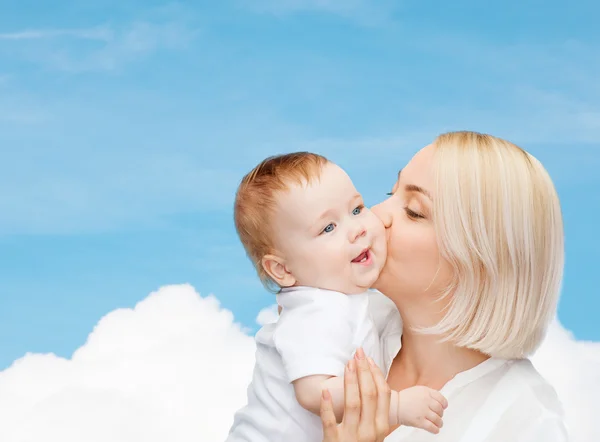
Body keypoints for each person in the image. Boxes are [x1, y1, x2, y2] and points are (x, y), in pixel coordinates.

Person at [319, 130, 568, 441]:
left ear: (482, 262)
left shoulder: (523, 421)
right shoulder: (340, 327)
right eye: (389, 194)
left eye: (414, 211)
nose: (375, 216)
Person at [226, 153, 448, 442]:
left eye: (356, 209)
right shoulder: (317, 310)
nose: (357, 230)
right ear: (282, 269)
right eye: (328, 228)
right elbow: (314, 392)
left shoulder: (348, 301)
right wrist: (396, 406)